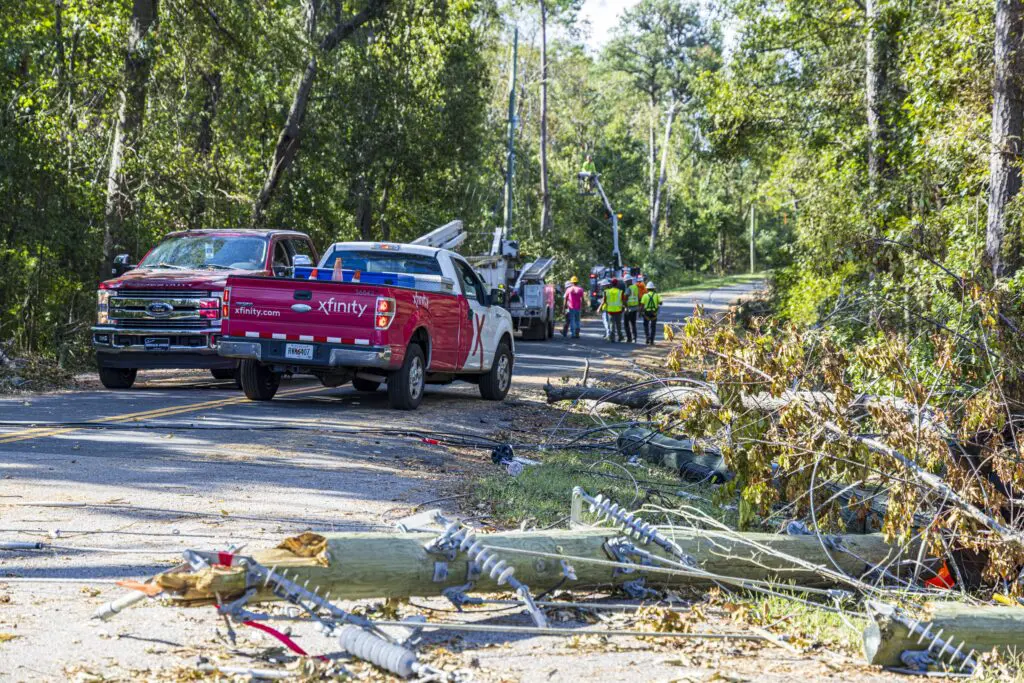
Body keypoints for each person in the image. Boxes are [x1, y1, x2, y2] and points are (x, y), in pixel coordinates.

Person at [603, 277, 624, 342]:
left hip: (610, 311)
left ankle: (612, 338)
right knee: (618, 324)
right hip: (618, 310)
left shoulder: (607, 292)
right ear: (617, 284)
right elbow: (623, 300)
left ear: (611, 284)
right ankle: (620, 337)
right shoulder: (620, 292)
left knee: (612, 324)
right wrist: (624, 307)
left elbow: (604, 301)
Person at [623, 276, 639, 343]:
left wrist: (625, 307)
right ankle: (634, 338)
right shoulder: (635, 287)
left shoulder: (628, 288)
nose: (625, 283)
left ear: (628, 281)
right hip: (635, 308)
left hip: (629, 308)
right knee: (633, 323)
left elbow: (625, 299)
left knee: (626, 324)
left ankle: (629, 338)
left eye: (625, 281)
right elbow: (638, 296)